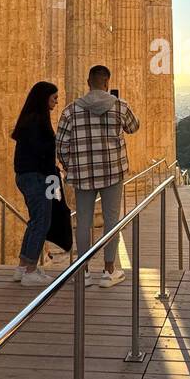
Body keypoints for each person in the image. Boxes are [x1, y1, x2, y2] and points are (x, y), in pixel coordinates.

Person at [56, 64, 139, 288]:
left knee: (83, 221)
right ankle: (109, 271)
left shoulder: (71, 110)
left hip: (83, 173)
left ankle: (83, 272)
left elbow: (61, 144)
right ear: (106, 83)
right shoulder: (120, 106)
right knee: (112, 221)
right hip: (113, 171)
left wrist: (71, 165)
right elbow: (134, 127)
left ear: (87, 83)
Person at [11, 81, 61, 287]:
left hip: (27, 176)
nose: (56, 102)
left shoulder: (30, 119)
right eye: (54, 98)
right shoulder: (37, 122)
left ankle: (23, 266)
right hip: (37, 177)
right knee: (42, 222)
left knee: (35, 221)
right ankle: (30, 271)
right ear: (44, 99)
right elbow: (42, 154)